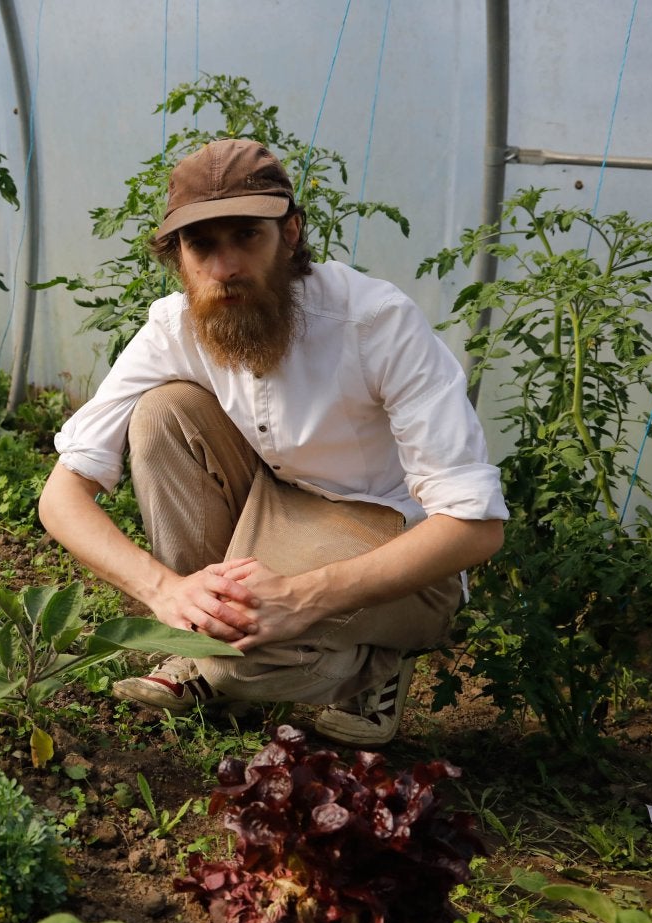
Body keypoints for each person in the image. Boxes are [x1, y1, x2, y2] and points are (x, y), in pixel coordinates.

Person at [38, 138, 508, 748]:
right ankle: (210, 637)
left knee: (256, 652)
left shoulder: (374, 323)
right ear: (177, 255)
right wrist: (170, 593)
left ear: (290, 234)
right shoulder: (175, 327)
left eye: (246, 238)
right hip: (276, 517)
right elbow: (61, 498)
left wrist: (301, 599)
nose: (224, 267)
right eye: (202, 245)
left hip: (400, 552)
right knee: (163, 414)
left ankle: (371, 662)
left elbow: (475, 527)